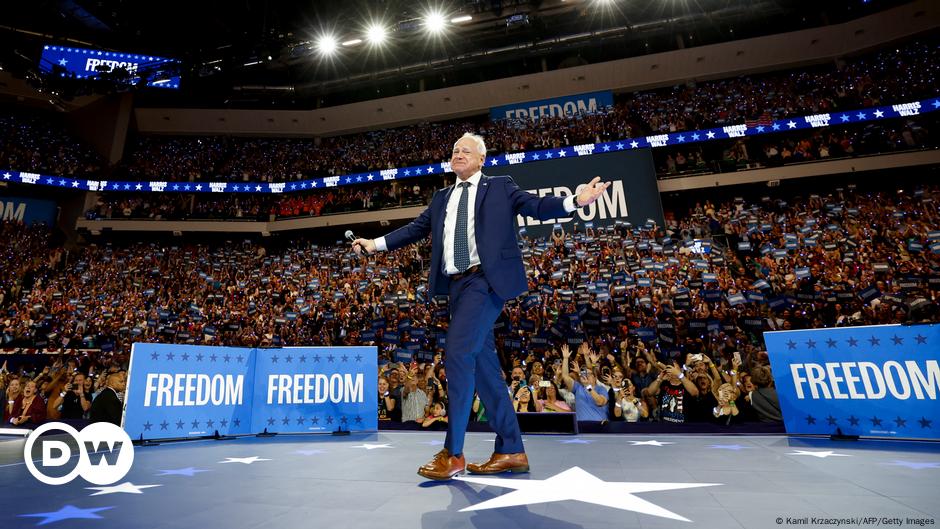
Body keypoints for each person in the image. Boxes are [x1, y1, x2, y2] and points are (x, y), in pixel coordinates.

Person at [352, 132, 610, 480]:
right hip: (457, 287)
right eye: (454, 150)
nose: (458, 153)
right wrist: (375, 243)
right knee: (484, 368)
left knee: (457, 355)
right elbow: (415, 229)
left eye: (465, 150)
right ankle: (511, 450)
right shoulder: (442, 197)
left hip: (486, 281)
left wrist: (576, 200)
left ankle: (453, 452)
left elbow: (535, 206)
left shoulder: (500, 186)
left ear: (481, 159)